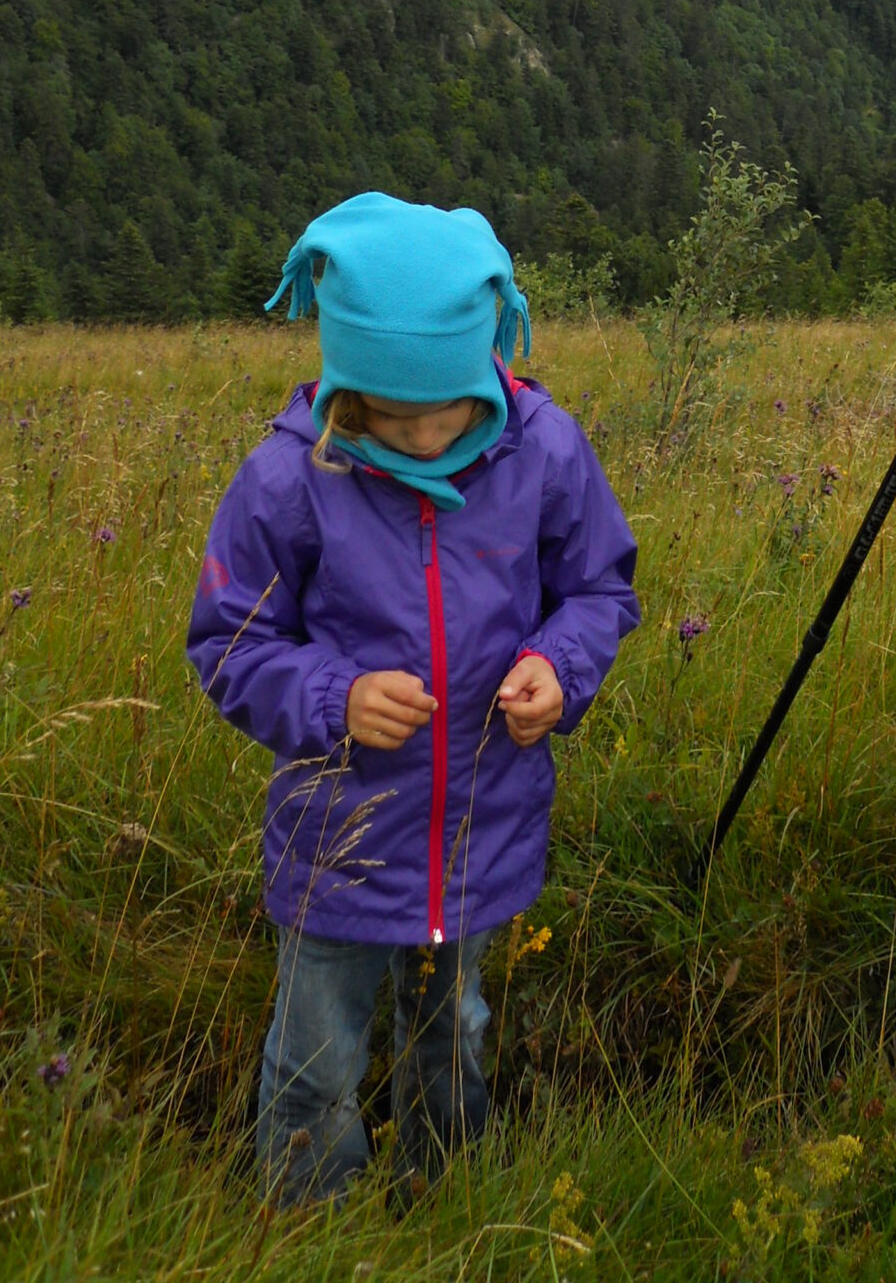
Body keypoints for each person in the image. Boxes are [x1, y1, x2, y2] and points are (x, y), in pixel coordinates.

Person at [187, 192, 639, 1202]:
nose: (428, 439)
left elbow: (602, 590)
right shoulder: (288, 478)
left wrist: (558, 670)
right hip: (333, 845)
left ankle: (449, 1204)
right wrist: (334, 694)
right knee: (315, 1061)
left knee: (456, 1036)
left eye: (450, 412)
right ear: (347, 390)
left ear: (488, 366)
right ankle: (309, 1220)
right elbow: (228, 641)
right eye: (393, 419)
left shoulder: (545, 451)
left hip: (483, 829)